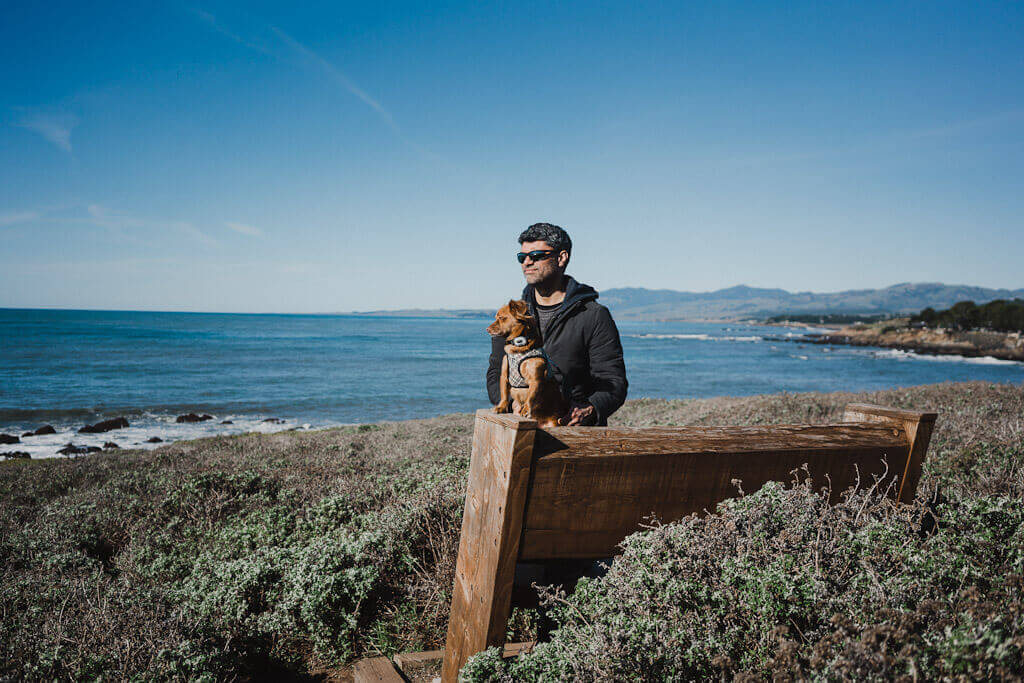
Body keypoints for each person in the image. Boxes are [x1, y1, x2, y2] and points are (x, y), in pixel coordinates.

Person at [486, 223, 628, 426]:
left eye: (535, 255)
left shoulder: (594, 315)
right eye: (522, 257)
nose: (526, 262)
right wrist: (511, 403)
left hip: (571, 432)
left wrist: (590, 408)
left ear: (561, 258)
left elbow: (614, 381)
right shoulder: (510, 318)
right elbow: (495, 373)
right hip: (522, 428)